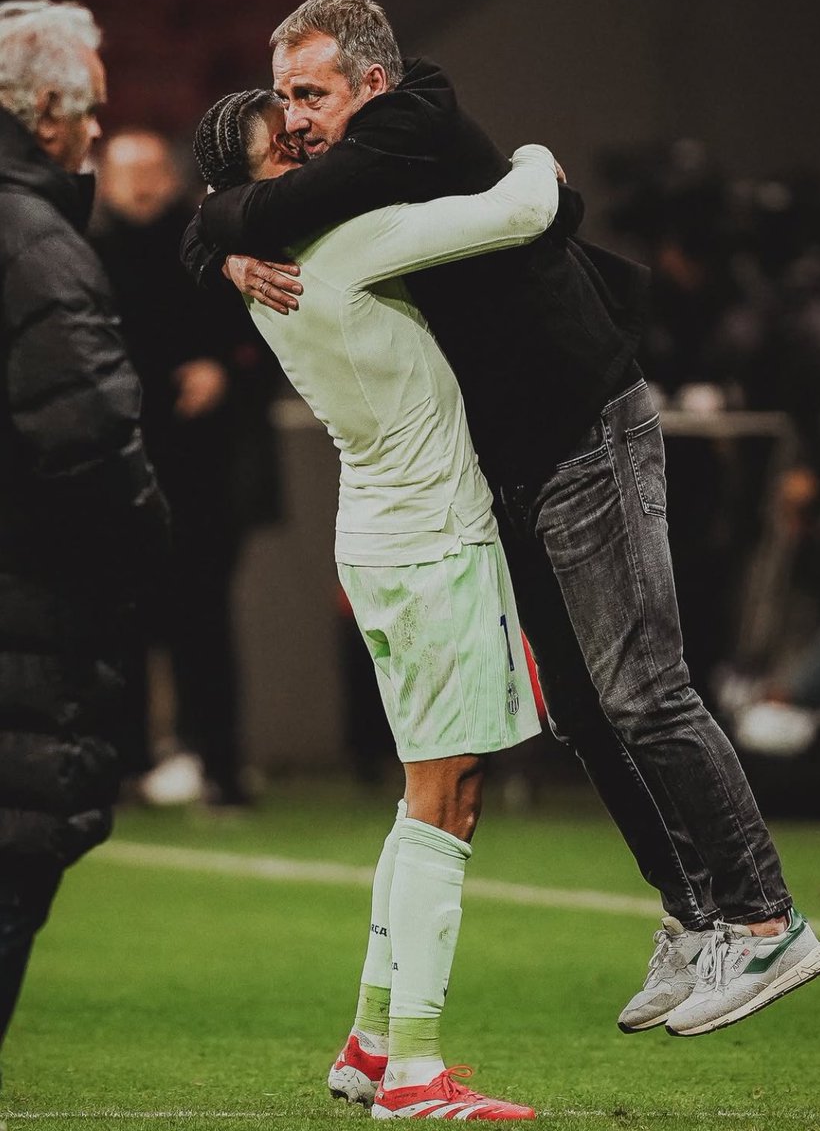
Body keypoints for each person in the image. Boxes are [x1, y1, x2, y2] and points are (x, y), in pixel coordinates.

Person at [182, 0, 820, 1047]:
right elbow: (245, 206)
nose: (297, 120)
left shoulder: (408, 124)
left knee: (645, 690)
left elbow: (522, 208)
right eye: (283, 105)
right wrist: (219, 236)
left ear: (371, 84)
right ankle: (692, 915)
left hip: (583, 426)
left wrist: (225, 226)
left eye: (309, 95)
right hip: (509, 461)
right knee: (580, 709)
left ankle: (764, 921)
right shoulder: (330, 201)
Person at [193, 87, 560, 1118]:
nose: (306, 156)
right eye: (285, 150)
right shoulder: (343, 245)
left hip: (381, 540)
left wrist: (219, 245)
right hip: (433, 544)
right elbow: (521, 210)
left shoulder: (264, 268)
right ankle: (414, 1071)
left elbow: (208, 220)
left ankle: (368, 1043)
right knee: (449, 800)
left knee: (420, 797)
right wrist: (536, 149)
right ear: (256, 186)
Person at [0, 1, 168, 1051]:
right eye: (93, 108)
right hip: (26, 615)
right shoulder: (34, 243)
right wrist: (148, 554)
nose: (100, 130)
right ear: (50, 110)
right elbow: (94, 442)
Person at [91, 129, 281, 807]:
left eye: (151, 169)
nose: (141, 183)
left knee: (203, 619)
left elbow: (269, 332)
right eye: (127, 170)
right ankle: (124, 765)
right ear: (105, 180)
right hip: (116, 468)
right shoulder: (83, 252)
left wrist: (225, 370)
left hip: (204, 470)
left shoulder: (214, 242)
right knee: (119, 621)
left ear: (172, 177)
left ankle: (218, 762)